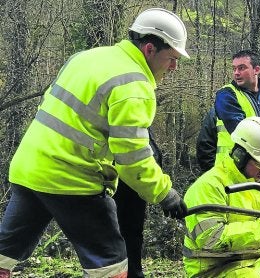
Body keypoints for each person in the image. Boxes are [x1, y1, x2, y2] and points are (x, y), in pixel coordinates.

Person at [0, 8, 189, 278]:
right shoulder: (134, 85)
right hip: (72, 179)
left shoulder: (86, 57)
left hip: (29, 169)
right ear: (149, 49)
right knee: (111, 267)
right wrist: (165, 194)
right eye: (171, 58)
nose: (174, 66)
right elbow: (132, 158)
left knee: (3, 255)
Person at [182, 117, 260, 277]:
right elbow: (211, 240)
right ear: (240, 156)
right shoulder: (208, 187)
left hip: (250, 258)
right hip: (216, 267)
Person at [213, 49, 260, 167]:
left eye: (241, 68)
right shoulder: (225, 95)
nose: (236, 73)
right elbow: (242, 133)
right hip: (231, 168)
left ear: (256, 70)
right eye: (234, 68)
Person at [113, 128, 162, 278]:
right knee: (115, 232)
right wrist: (163, 192)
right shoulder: (128, 106)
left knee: (133, 231)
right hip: (116, 178)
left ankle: (134, 271)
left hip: (135, 183)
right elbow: (129, 144)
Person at [195, 107, 217, 173]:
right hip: (220, 175)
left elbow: (203, 145)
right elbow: (204, 146)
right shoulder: (216, 113)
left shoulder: (215, 113)